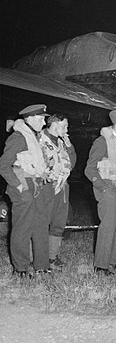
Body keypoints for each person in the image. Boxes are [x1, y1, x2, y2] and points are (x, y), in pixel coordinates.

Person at [0, 104, 51, 277]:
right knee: (23, 227)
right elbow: (3, 165)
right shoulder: (18, 137)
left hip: (35, 185)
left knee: (40, 226)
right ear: (29, 119)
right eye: (41, 118)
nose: (44, 122)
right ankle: (20, 268)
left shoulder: (35, 137)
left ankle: (42, 266)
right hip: (22, 186)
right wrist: (19, 186)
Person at [85, 109, 116, 276]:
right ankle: (101, 265)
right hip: (107, 188)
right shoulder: (101, 142)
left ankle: (114, 261)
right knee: (108, 226)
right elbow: (89, 169)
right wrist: (103, 188)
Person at [39, 113, 76, 269]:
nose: (67, 129)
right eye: (64, 126)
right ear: (54, 125)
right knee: (42, 222)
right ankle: (38, 257)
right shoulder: (40, 140)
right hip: (47, 186)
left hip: (62, 187)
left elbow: (71, 163)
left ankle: (52, 257)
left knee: (58, 222)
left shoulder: (61, 142)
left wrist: (68, 145)